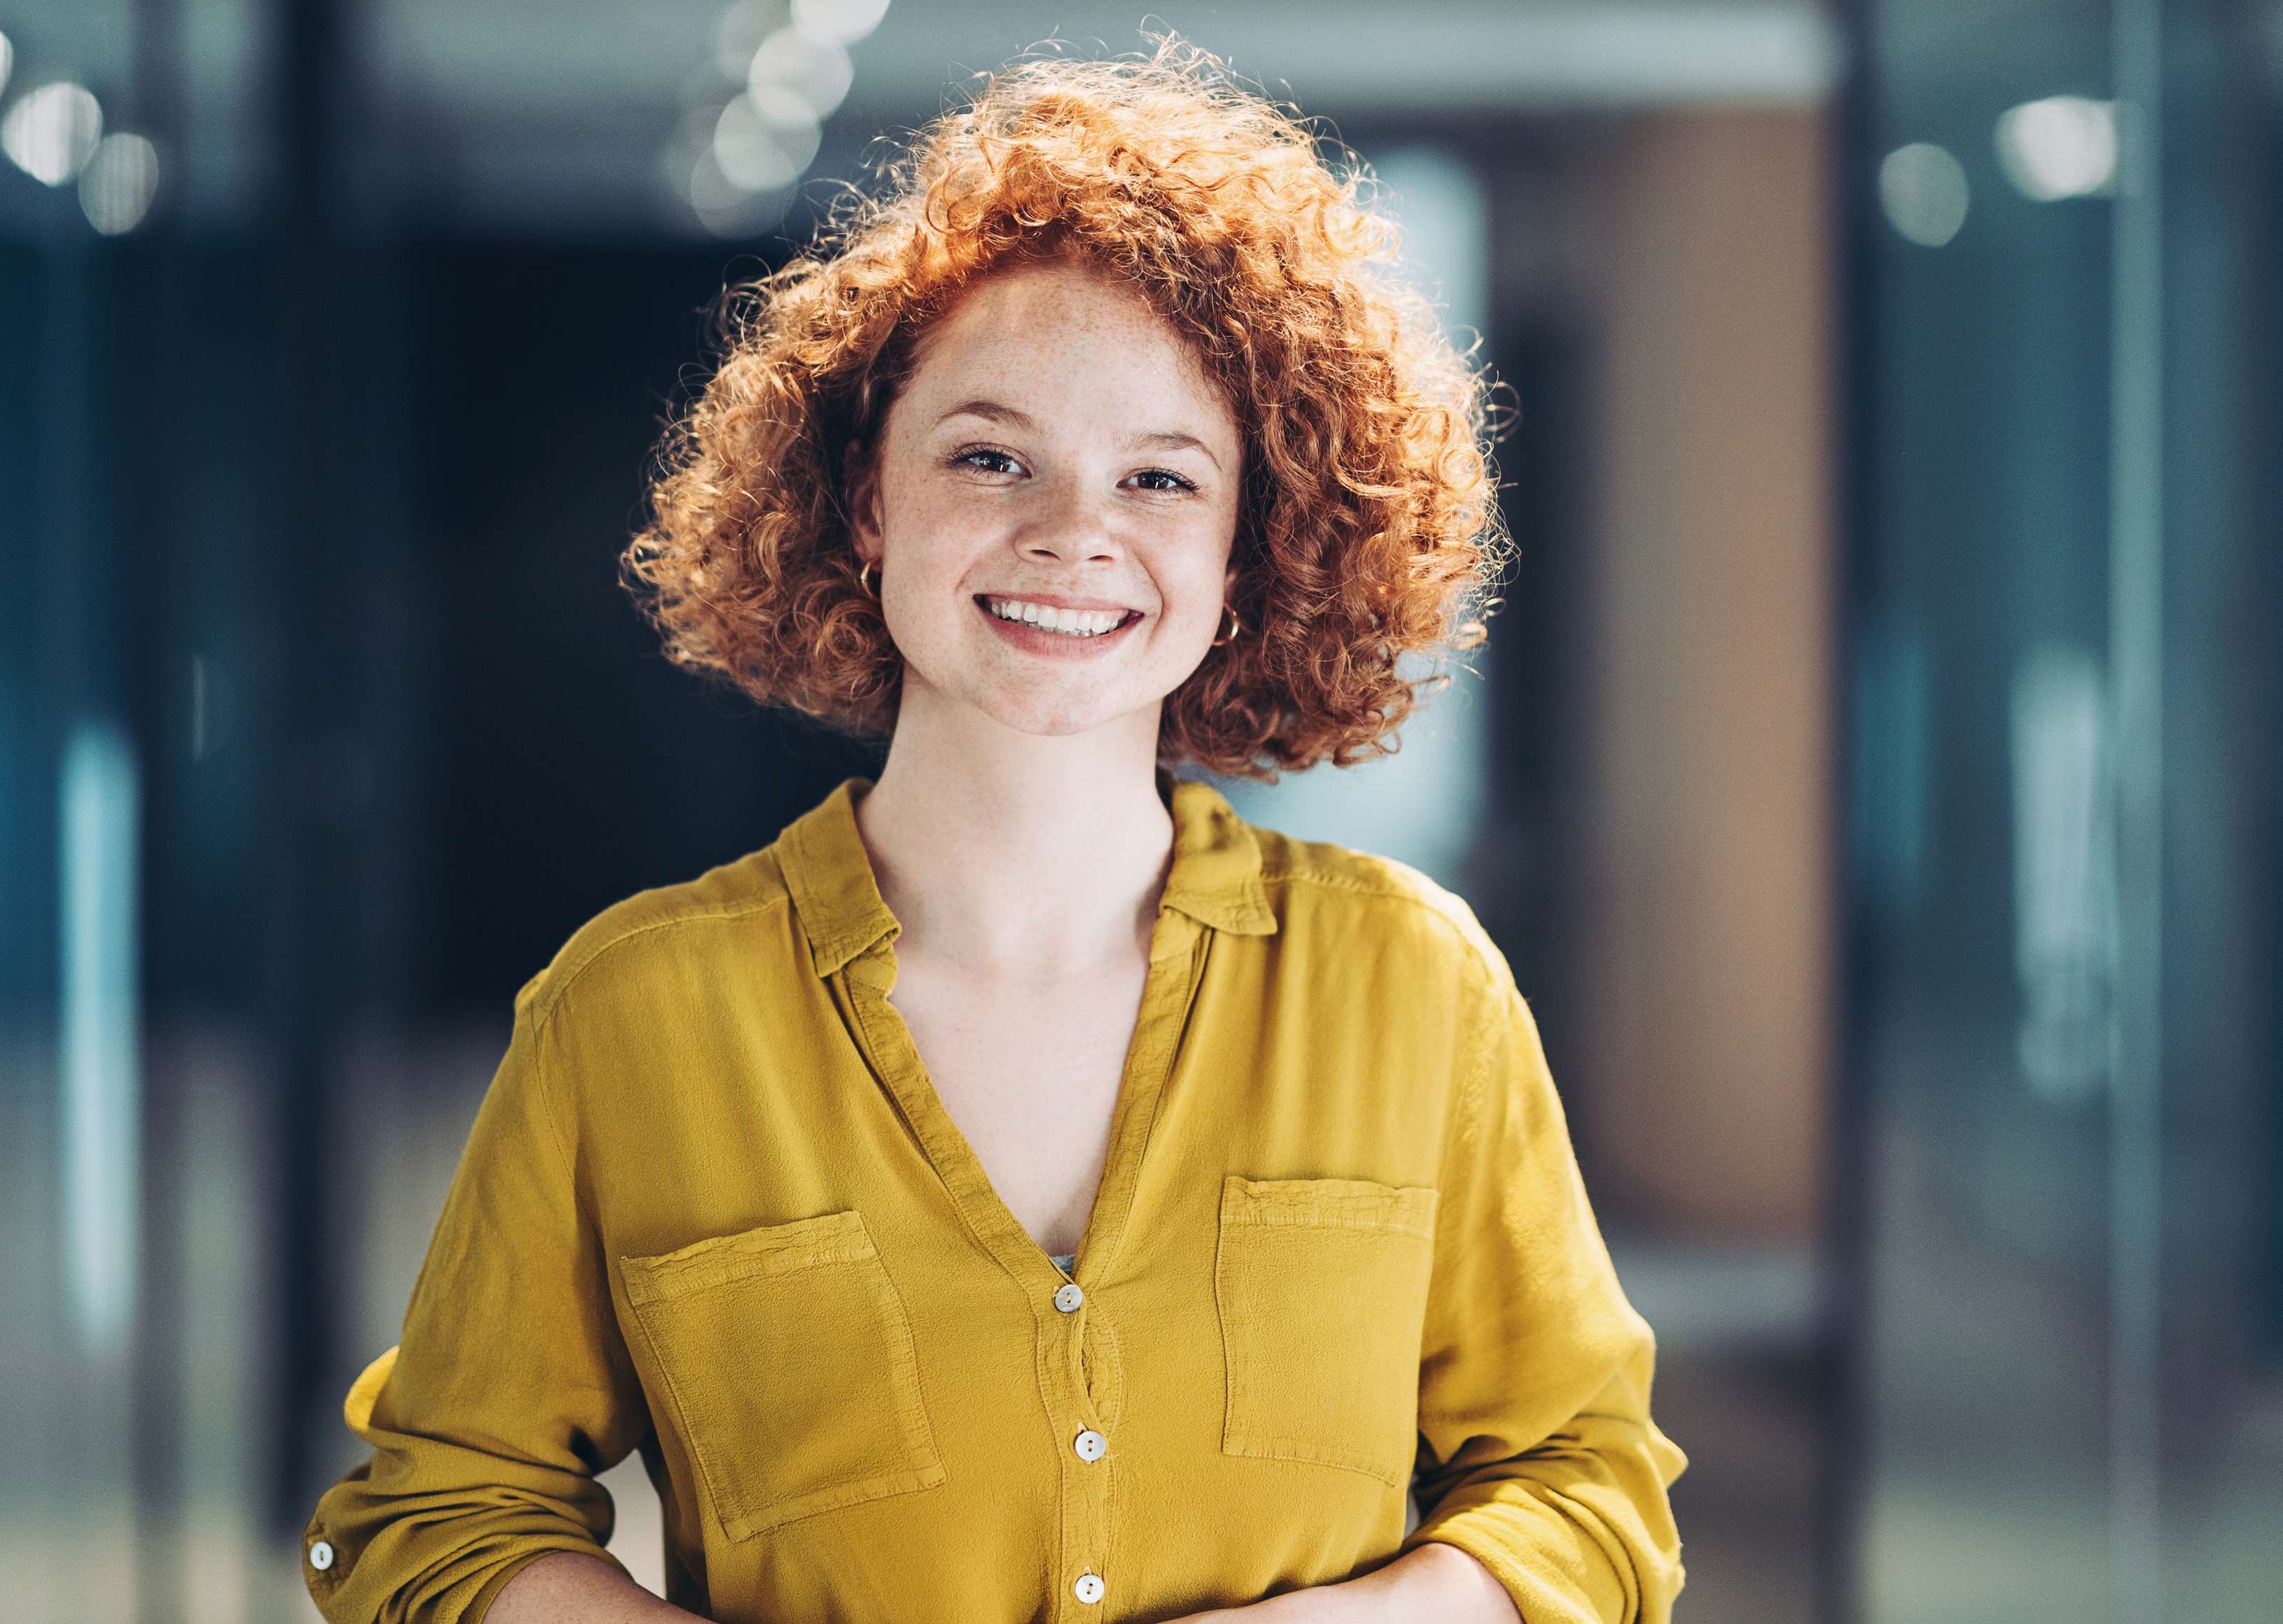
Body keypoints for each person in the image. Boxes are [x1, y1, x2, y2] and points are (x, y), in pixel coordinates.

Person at [303, 37, 1685, 1624]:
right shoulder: (634, 1016)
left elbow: (1588, 1484)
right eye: (990, 456)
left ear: (1249, 551)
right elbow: (429, 1522)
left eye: (1161, 477)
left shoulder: (1415, 988)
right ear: (870, 500)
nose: (1072, 536)